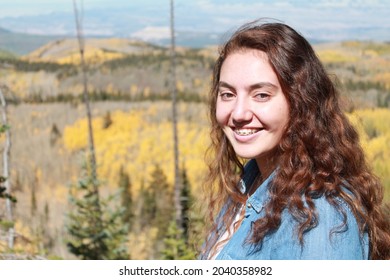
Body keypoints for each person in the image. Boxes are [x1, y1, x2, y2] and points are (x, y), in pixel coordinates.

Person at [199, 20, 390, 260]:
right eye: (227, 94)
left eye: (261, 95)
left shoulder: (320, 218)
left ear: (300, 103)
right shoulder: (249, 183)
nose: (238, 113)